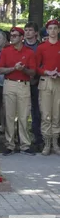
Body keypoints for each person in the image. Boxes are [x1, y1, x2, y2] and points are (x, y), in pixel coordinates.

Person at [0, 27, 36, 156]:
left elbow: (33, 72)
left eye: (15, 35)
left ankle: (25, 145)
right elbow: (0, 70)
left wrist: (23, 69)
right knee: (9, 115)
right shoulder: (6, 51)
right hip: (9, 84)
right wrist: (14, 68)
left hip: (24, 85)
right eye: (11, 35)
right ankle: (10, 145)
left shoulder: (29, 52)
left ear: (21, 38)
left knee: (24, 116)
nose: (12, 37)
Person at [36, 19, 60, 156]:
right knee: (46, 114)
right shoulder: (41, 47)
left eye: (55, 28)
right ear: (47, 30)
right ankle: (47, 143)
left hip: (58, 81)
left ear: (58, 30)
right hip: (46, 81)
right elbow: (36, 67)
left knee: (57, 114)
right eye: (50, 28)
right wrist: (46, 72)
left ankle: (55, 143)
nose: (52, 31)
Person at [24, 21, 43, 150]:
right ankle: (22, 140)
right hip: (23, 82)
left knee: (37, 111)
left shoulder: (40, 47)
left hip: (37, 83)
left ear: (36, 33)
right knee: (22, 112)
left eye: (30, 30)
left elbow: (43, 64)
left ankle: (38, 138)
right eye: (26, 30)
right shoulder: (20, 46)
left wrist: (36, 78)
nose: (27, 32)